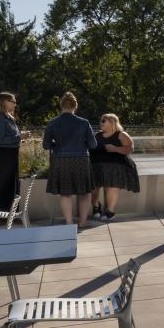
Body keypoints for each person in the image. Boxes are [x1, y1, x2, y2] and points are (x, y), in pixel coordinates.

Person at [42, 92, 97, 229]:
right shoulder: (84, 123)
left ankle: (68, 222)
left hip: (61, 160)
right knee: (85, 192)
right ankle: (82, 222)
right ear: (75, 106)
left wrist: (57, 144)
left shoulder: (52, 123)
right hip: (81, 160)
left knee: (65, 193)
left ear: (61, 106)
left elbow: (46, 145)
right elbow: (93, 144)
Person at [90, 113, 140, 221]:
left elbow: (130, 149)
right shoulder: (96, 135)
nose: (101, 123)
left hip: (116, 166)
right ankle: (96, 206)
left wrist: (116, 149)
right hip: (96, 167)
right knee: (93, 188)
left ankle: (110, 211)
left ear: (112, 122)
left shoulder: (121, 135)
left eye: (104, 121)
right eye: (101, 121)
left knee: (113, 185)